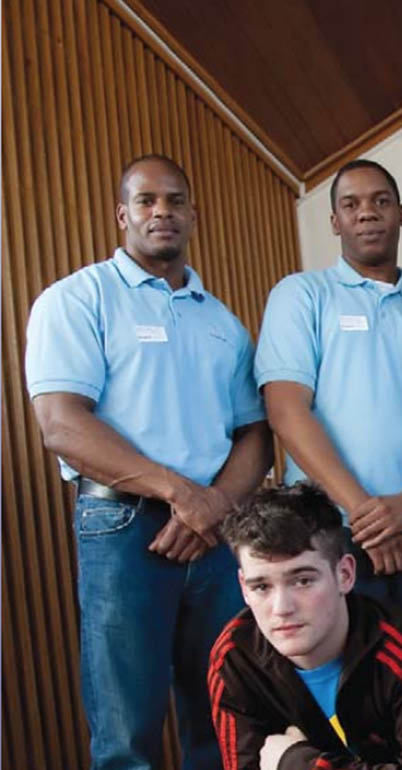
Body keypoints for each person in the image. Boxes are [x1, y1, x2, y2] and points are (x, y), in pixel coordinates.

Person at [23, 154, 273, 769]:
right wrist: (182, 497)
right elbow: (62, 426)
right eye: (146, 201)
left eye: (175, 200)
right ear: (122, 215)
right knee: (126, 729)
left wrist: (209, 507)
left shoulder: (223, 323)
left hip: (217, 536)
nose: (162, 211)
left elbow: (256, 435)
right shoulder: (77, 299)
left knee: (223, 714)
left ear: (193, 214)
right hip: (121, 531)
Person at [255, 160, 402, 636]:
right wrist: (368, 516)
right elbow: (286, 411)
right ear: (334, 222)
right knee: (341, 683)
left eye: (380, 201)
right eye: (351, 204)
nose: (367, 213)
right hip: (326, 530)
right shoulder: (302, 295)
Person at [209, 483, 402, 770]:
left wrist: (298, 763)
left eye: (303, 581)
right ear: (243, 588)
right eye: (261, 587)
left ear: (345, 574)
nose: (282, 608)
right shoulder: (235, 658)